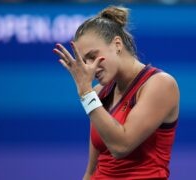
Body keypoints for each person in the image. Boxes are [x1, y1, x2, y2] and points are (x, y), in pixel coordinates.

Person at [53, 5, 180, 180]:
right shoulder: (97, 93)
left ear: (117, 44)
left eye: (92, 56)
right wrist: (89, 95)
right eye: (84, 61)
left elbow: (121, 146)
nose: (90, 67)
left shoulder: (161, 84)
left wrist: (86, 94)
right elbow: (92, 171)